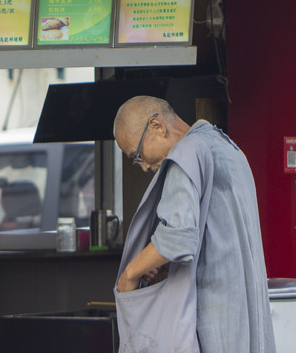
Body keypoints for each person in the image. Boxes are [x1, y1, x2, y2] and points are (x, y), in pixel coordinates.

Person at [113, 95, 276, 353]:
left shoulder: (186, 153)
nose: (143, 166)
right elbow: (217, 235)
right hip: (249, 321)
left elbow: (176, 239)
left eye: (138, 154)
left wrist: (130, 274)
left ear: (157, 126)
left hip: (217, 325)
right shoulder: (227, 147)